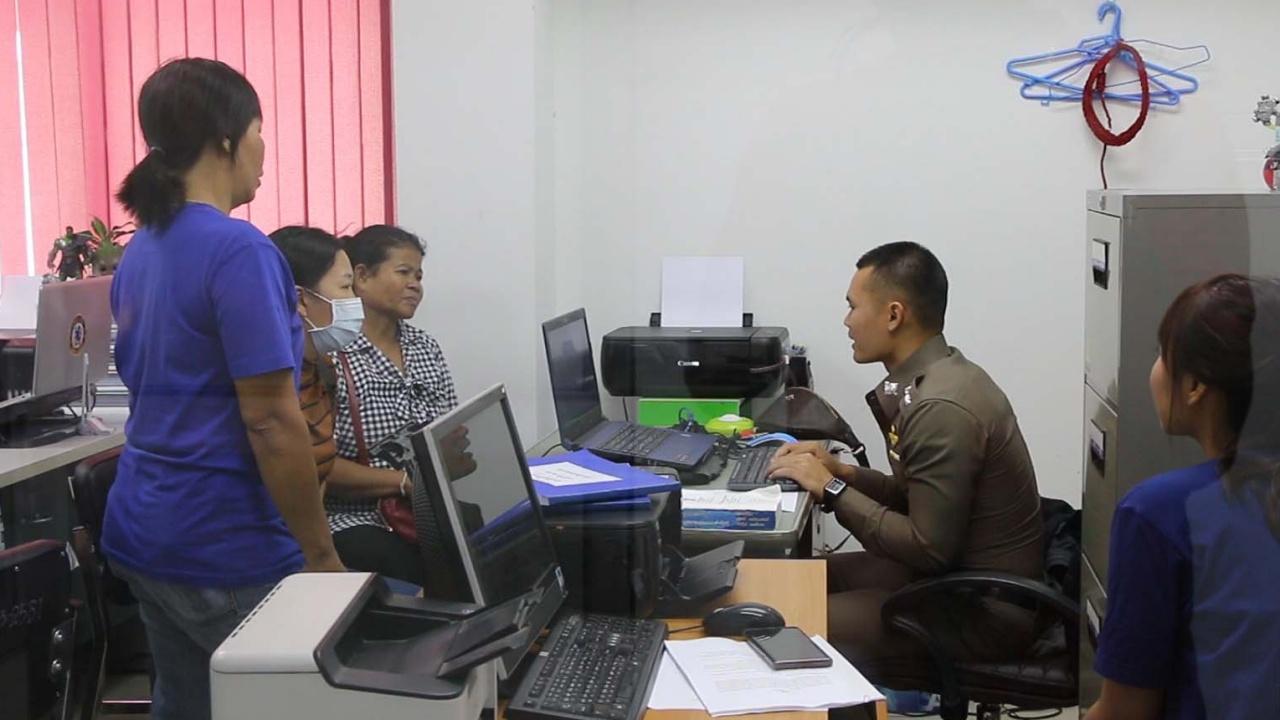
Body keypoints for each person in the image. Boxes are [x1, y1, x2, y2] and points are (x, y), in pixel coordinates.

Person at [103, 59, 342, 720]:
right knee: (294, 707)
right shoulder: (239, 251)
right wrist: (321, 553)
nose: (264, 151)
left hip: (146, 529)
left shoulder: (144, 247)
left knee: (188, 705)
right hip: (225, 541)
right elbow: (270, 421)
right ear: (226, 139)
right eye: (260, 131)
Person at [767, 241, 1043, 678]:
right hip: (952, 580)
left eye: (853, 307)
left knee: (780, 621)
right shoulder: (940, 377)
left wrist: (831, 489)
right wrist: (842, 472)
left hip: (981, 610)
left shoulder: (940, 407)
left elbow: (928, 548)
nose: (846, 321)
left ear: (894, 315)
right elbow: (914, 497)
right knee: (785, 583)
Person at [1088, 274, 1280, 720]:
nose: (1155, 368)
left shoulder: (1159, 513)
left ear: (1194, 385)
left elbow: (1125, 712)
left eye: (1161, 353)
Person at [268, 225, 427, 587]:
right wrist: (322, 562)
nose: (353, 301)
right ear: (301, 301)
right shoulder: (278, 380)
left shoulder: (318, 368)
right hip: (298, 544)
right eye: (345, 289)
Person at [327, 225, 458, 584]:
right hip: (354, 517)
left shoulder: (425, 347)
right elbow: (316, 465)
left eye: (419, 276)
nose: (415, 285)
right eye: (403, 272)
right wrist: (403, 482)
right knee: (419, 570)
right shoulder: (332, 355)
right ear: (362, 277)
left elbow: (450, 435)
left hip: (424, 509)